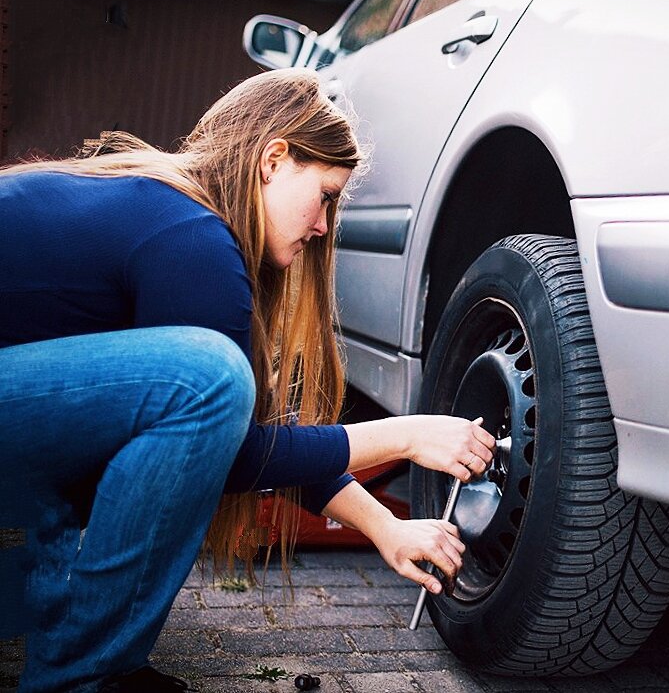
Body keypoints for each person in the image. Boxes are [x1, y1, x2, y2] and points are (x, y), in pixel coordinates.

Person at [0, 68, 496, 692]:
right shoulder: (192, 235)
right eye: (325, 195)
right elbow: (238, 453)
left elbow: (237, 443)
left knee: (192, 394)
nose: (323, 227)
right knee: (207, 379)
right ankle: (81, 677)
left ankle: (85, 653)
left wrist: (386, 528)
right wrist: (403, 435)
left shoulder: (162, 207)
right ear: (273, 159)